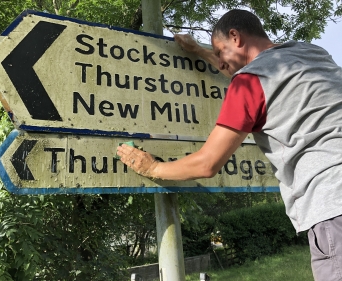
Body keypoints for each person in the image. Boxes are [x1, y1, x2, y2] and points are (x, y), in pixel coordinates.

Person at [116, 9, 342, 280]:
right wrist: (201, 51)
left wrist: (152, 167)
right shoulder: (312, 52)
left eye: (220, 51)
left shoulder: (248, 84)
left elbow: (207, 163)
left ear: (235, 36)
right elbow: (250, 69)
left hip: (332, 200)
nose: (220, 63)